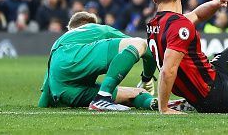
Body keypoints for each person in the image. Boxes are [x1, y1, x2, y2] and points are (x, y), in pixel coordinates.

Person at [38, 11, 179, 111]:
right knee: (139, 44)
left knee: (135, 93)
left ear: (70, 29)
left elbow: (45, 93)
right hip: (72, 70)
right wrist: (147, 78)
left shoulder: (57, 45)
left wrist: (44, 105)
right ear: (86, 24)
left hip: (65, 91)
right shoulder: (96, 28)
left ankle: (154, 103)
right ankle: (102, 98)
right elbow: (144, 48)